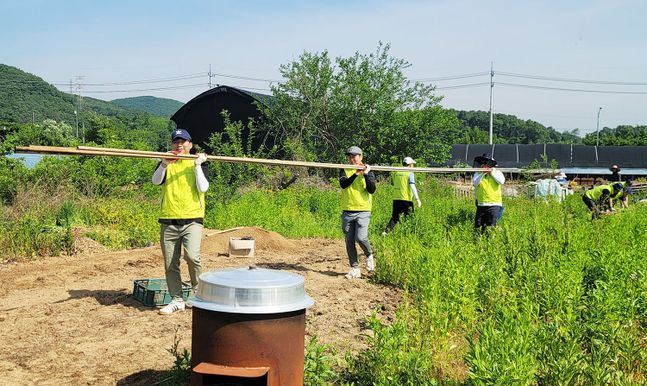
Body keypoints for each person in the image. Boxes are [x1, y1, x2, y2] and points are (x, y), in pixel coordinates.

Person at [152, 128, 209, 315]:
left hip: (192, 219)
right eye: (176, 141)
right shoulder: (166, 161)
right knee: (170, 263)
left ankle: (198, 293)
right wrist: (163, 164)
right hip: (168, 219)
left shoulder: (198, 162)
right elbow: (155, 181)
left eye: (183, 141)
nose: (179, 145)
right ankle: (176, 299)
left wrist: (198, 165)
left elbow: (203, 187)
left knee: (192, 257)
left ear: (190, 144)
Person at [339, 146, 376, 279]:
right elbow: (343, 184)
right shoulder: (344, 169)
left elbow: (372, 189)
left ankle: (369, 254)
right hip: (348, 210)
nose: (352, 158)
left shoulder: (368, 170)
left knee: (361, 237)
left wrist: (365, 174)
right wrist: (356, 173)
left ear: (360, 157)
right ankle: (355, 268)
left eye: (354, 156)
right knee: (349, 241)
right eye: (349, 156)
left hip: (363, 209)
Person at [382, 156, 421, 235]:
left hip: (396, 199)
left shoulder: (397, 173)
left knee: (395, 218)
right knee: (409, 218)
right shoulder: (410, 173)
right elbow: (412, 186)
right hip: (406, 199)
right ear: (409, 165)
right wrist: (417, 199)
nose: (413, 166)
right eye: (412, 164)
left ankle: (385, 233)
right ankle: (408, 235)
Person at [472, 153, 505, 231]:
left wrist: (491, 172)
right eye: (483, 163)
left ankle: (492, 240)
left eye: (486, 163)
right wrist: (483, 174)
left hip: (494, 204)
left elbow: (501, 181)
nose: (484, 165)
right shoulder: (477, 174)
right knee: (479, 226)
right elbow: (475, 183)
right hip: (481, 204)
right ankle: (479, 241)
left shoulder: (497, 173)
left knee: (491, 226)